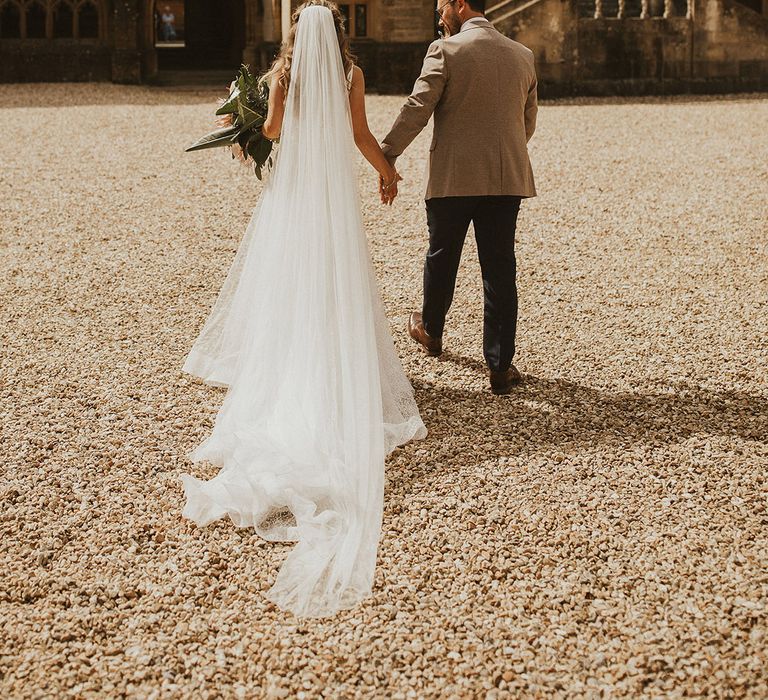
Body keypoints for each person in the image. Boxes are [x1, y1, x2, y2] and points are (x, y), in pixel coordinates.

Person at [178, 1, 426, 618]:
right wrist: (386, 171)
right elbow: (360, 135)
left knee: (288, 285)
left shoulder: (283, 78)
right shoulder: (352, 76)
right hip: (333, 201)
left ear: (296, 34)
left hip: (294, 199)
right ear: (338, 33)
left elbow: (272, 134)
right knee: (336, 283)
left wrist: (248, 126)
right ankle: (338, 372)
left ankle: (290, 369)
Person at [380, 0, 538, 395]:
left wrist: (387, 152)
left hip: (454, 176)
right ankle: (500, 366)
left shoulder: (445, 50)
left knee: (442, 254)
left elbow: (419, 106)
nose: (439, 15)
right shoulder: (523, 55)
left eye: (441, 8)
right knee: (500, 268)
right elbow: (526, 123)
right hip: (505, 180)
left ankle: (431, 331)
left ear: (459, 4)